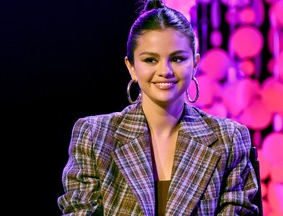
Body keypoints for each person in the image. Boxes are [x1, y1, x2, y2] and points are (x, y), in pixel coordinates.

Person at [57, 0, 259, 215]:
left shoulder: (228, 138)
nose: (165, 71)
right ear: (132, 67)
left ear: (195, 64)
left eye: (178, 59)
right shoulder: (94, 135)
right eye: (151, 60)